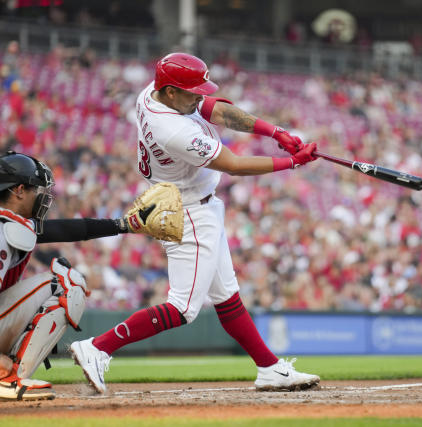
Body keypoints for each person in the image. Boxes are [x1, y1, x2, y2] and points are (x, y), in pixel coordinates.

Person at [70, 52, 320, 393]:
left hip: (192, 202)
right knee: (183, 308)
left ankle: (269, 368)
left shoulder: (154, 92)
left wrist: (273, 131)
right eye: (192, 91)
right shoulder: (172, 130)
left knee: (227, 296)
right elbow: (233, 165)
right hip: (187, 210)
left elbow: (213, 108)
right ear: (171, 92)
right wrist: (290, 162)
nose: (199, 96)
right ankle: (97, 347)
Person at [0, 152, 156, 401]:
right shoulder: (2, 228)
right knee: (65, 282)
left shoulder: (13, 223)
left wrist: (123, 225)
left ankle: (10, 376)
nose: (40, 195)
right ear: (19, 190)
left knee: (63, 284)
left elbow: (67, 229)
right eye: (34, 189)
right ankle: (6, 379)